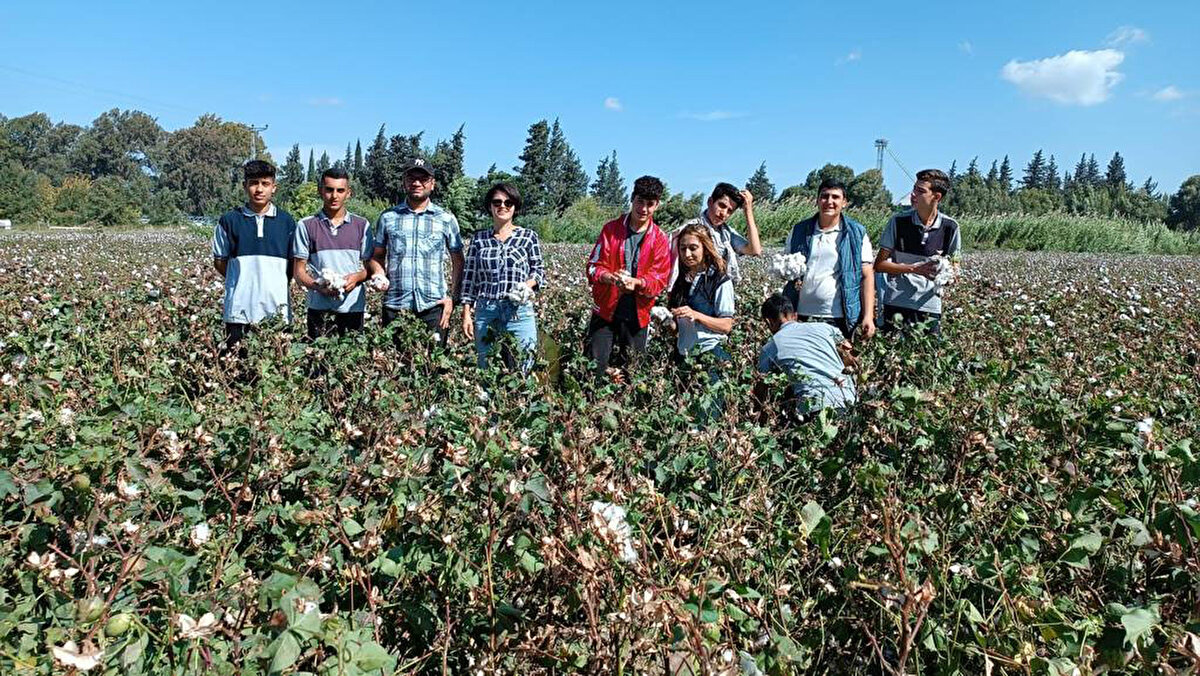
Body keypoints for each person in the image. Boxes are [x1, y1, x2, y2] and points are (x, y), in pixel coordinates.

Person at [368, 158, 464, 344]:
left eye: (423, 179)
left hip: (434, 306)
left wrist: (453, 298)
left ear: (432, 184)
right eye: (412, 178)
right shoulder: (388, 217)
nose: (417, 183)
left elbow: (458, 260)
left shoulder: (445, 218)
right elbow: (377, 256)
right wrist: (379, 274)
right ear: (404, 181)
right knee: (396, 367)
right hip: (396, 304)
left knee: (433, 366)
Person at [584, 175, 672, 377]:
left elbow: (659, 280)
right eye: (640, 201)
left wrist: (638, 283)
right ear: (632, 199)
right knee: (593, 368)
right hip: (605, 307)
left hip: (637, 312)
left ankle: (626, 406)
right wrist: (610, 277)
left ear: (657, 205)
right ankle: (592, 403)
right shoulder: (610, 230)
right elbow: (592, 268)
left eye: (650, 204)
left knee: (632, 371)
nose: (644, 209)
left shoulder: (659, 239)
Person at [211, 160, 297, 350]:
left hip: (276, 311)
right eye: (253, 183)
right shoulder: (229, 221)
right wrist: (241, 279)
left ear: (274, 188)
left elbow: (292, 266)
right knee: (237, 369)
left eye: (265, 184)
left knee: (275, 369)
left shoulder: (287, 223)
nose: (259, 189)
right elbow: (220, 261)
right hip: (238, 311)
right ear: (245, 186)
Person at [460, 183, 544, 370]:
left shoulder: (528, 237)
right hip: (486, 311)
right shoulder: (479, 239)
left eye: (509, 202)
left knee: (524, 365)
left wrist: (527, 285)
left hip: (519, 312)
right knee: (486, 368)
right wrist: (466, 313)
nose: (502, 206)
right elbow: (469, 278)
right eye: (497, 202)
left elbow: (538, 271)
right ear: (489, 206)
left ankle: (519, 400)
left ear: (515, 207)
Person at [783, 178, 876, 340]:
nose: (829, 201)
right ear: (818, 200)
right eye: (825, 196)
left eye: (835, 197)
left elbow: (867, 276)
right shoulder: (799, 230)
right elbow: (787, 270)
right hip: (801, 314)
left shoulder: (856, 233)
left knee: (838, 363)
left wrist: (868, 316)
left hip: (838, 317)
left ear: (844, 202)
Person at [874, 169, 961, 335]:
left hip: (930, 306)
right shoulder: (898, 221)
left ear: (937, 197)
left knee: (927, 355)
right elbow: (879, 264)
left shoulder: (951, 227)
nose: (913, 194)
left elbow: (955, 268)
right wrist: (913, 269)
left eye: (920, 191)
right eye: (914, 189)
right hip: (897, 302)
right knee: (892, 356)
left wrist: (949, 277)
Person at [292, 168, 373, 339]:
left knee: (351, 361)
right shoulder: (306, 225)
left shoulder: (361, 225)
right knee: (319, 361)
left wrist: (357, 278)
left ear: (348, 193)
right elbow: (299, 272)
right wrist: (318, 286)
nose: (334, 196)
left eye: (340, 190)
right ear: (320, 191)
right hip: (318, 308)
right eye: (329, 190)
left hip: (352, 308)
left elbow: (370, 269)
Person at [755, 293, 857, 421]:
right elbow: (850, 357)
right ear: (795, 315)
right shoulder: (826, 328)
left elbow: (761, 389)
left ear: (768, 322)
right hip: (849, 399)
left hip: (815, 408)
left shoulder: (771, 347)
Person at [668, 182, 762, 286]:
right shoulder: (691, 229)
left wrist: (748, 211)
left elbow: (755, 250)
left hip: (718, 289)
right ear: (710, 202)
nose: (724, 213)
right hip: (693, 290)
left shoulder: (726, 233)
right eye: (722, 206)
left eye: (729, 211)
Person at [665, 222, 735, 363]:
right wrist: (666, 321)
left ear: (706, 248)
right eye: (683, 248)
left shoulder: (719, 280)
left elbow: (726, 325)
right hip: (684, 354)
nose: (687, 254)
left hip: (711, 353)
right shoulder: (679, 281)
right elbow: (677, 330)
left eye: (693, 248)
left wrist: (696, 315)